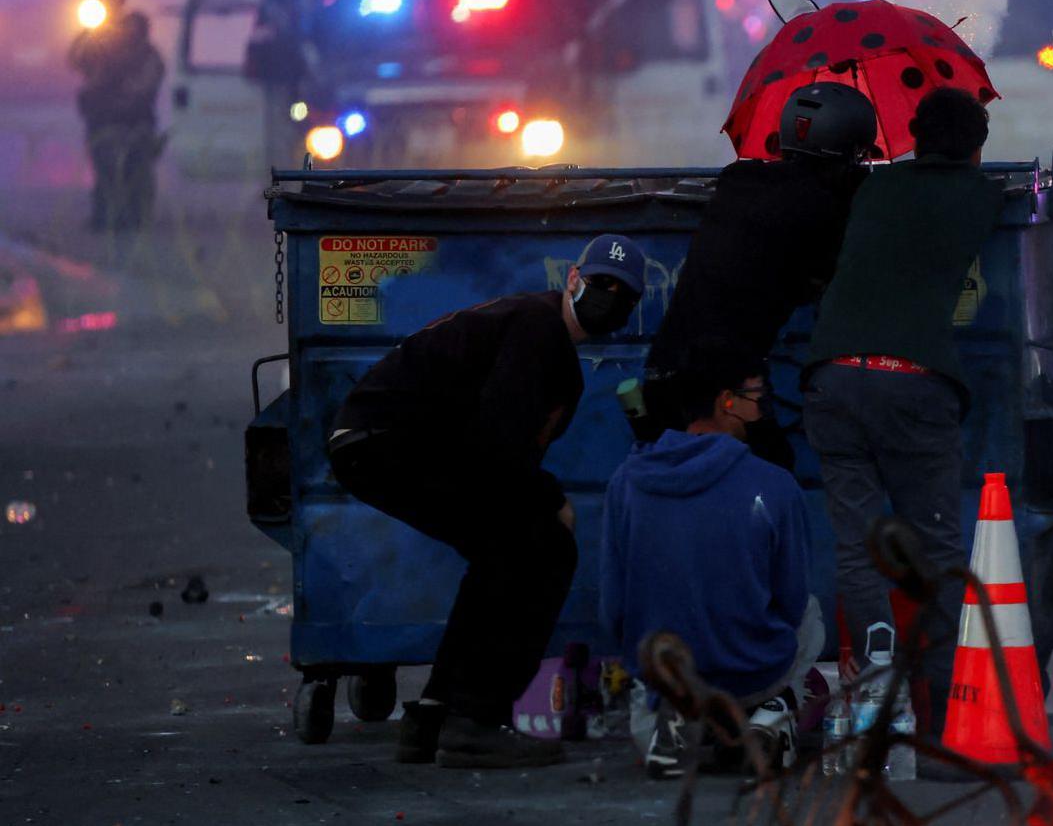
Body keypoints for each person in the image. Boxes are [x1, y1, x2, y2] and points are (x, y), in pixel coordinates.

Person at [327, 235, 646, 768]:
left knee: (505, 550)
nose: (607, 297)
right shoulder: (538, 327)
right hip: (391, 439)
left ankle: (436, 715)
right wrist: (551, 500)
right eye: (599, 284)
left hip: (378, 440)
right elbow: (500, 437)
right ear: (572, 280)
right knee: (543, 548)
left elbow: (497, 446)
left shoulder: (540, 335)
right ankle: (476, 721)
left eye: (621, 293)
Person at [801, 88, 1005, 740]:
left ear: (912, 136)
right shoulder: (981, 197)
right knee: (940, 552)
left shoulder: (872, 190)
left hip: (833, 377)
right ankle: (939, 724)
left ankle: (873, 696)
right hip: (916, 384)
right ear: (975, 148)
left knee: (859, 550)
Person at [601, 347, 822, 779]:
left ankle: (674, 724)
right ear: (726, 401)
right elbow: (791, 601)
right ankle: (769, 719)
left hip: (668, 676)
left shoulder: (626, 483)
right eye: (756, 397)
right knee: (812, 614)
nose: (762, 410)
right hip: (752, 671)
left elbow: (613, 609)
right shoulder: (776, 486)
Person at [637, 82, 876, 470]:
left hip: (663, 372)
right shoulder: (824, 208)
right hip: (724, 386)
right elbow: (823, 279)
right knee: (773, 473)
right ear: (844, 151)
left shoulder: (737, 181)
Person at [68, 0, 166, 231]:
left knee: (136, 173)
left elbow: (144, 86)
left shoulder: (146, 54)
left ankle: (133, 219)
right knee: (105, 173)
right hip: (104, 120)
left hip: (134, 121)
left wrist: (116, 97)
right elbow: (76, 60)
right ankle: (105, 218)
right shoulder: (101, 42)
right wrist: (90, 32)